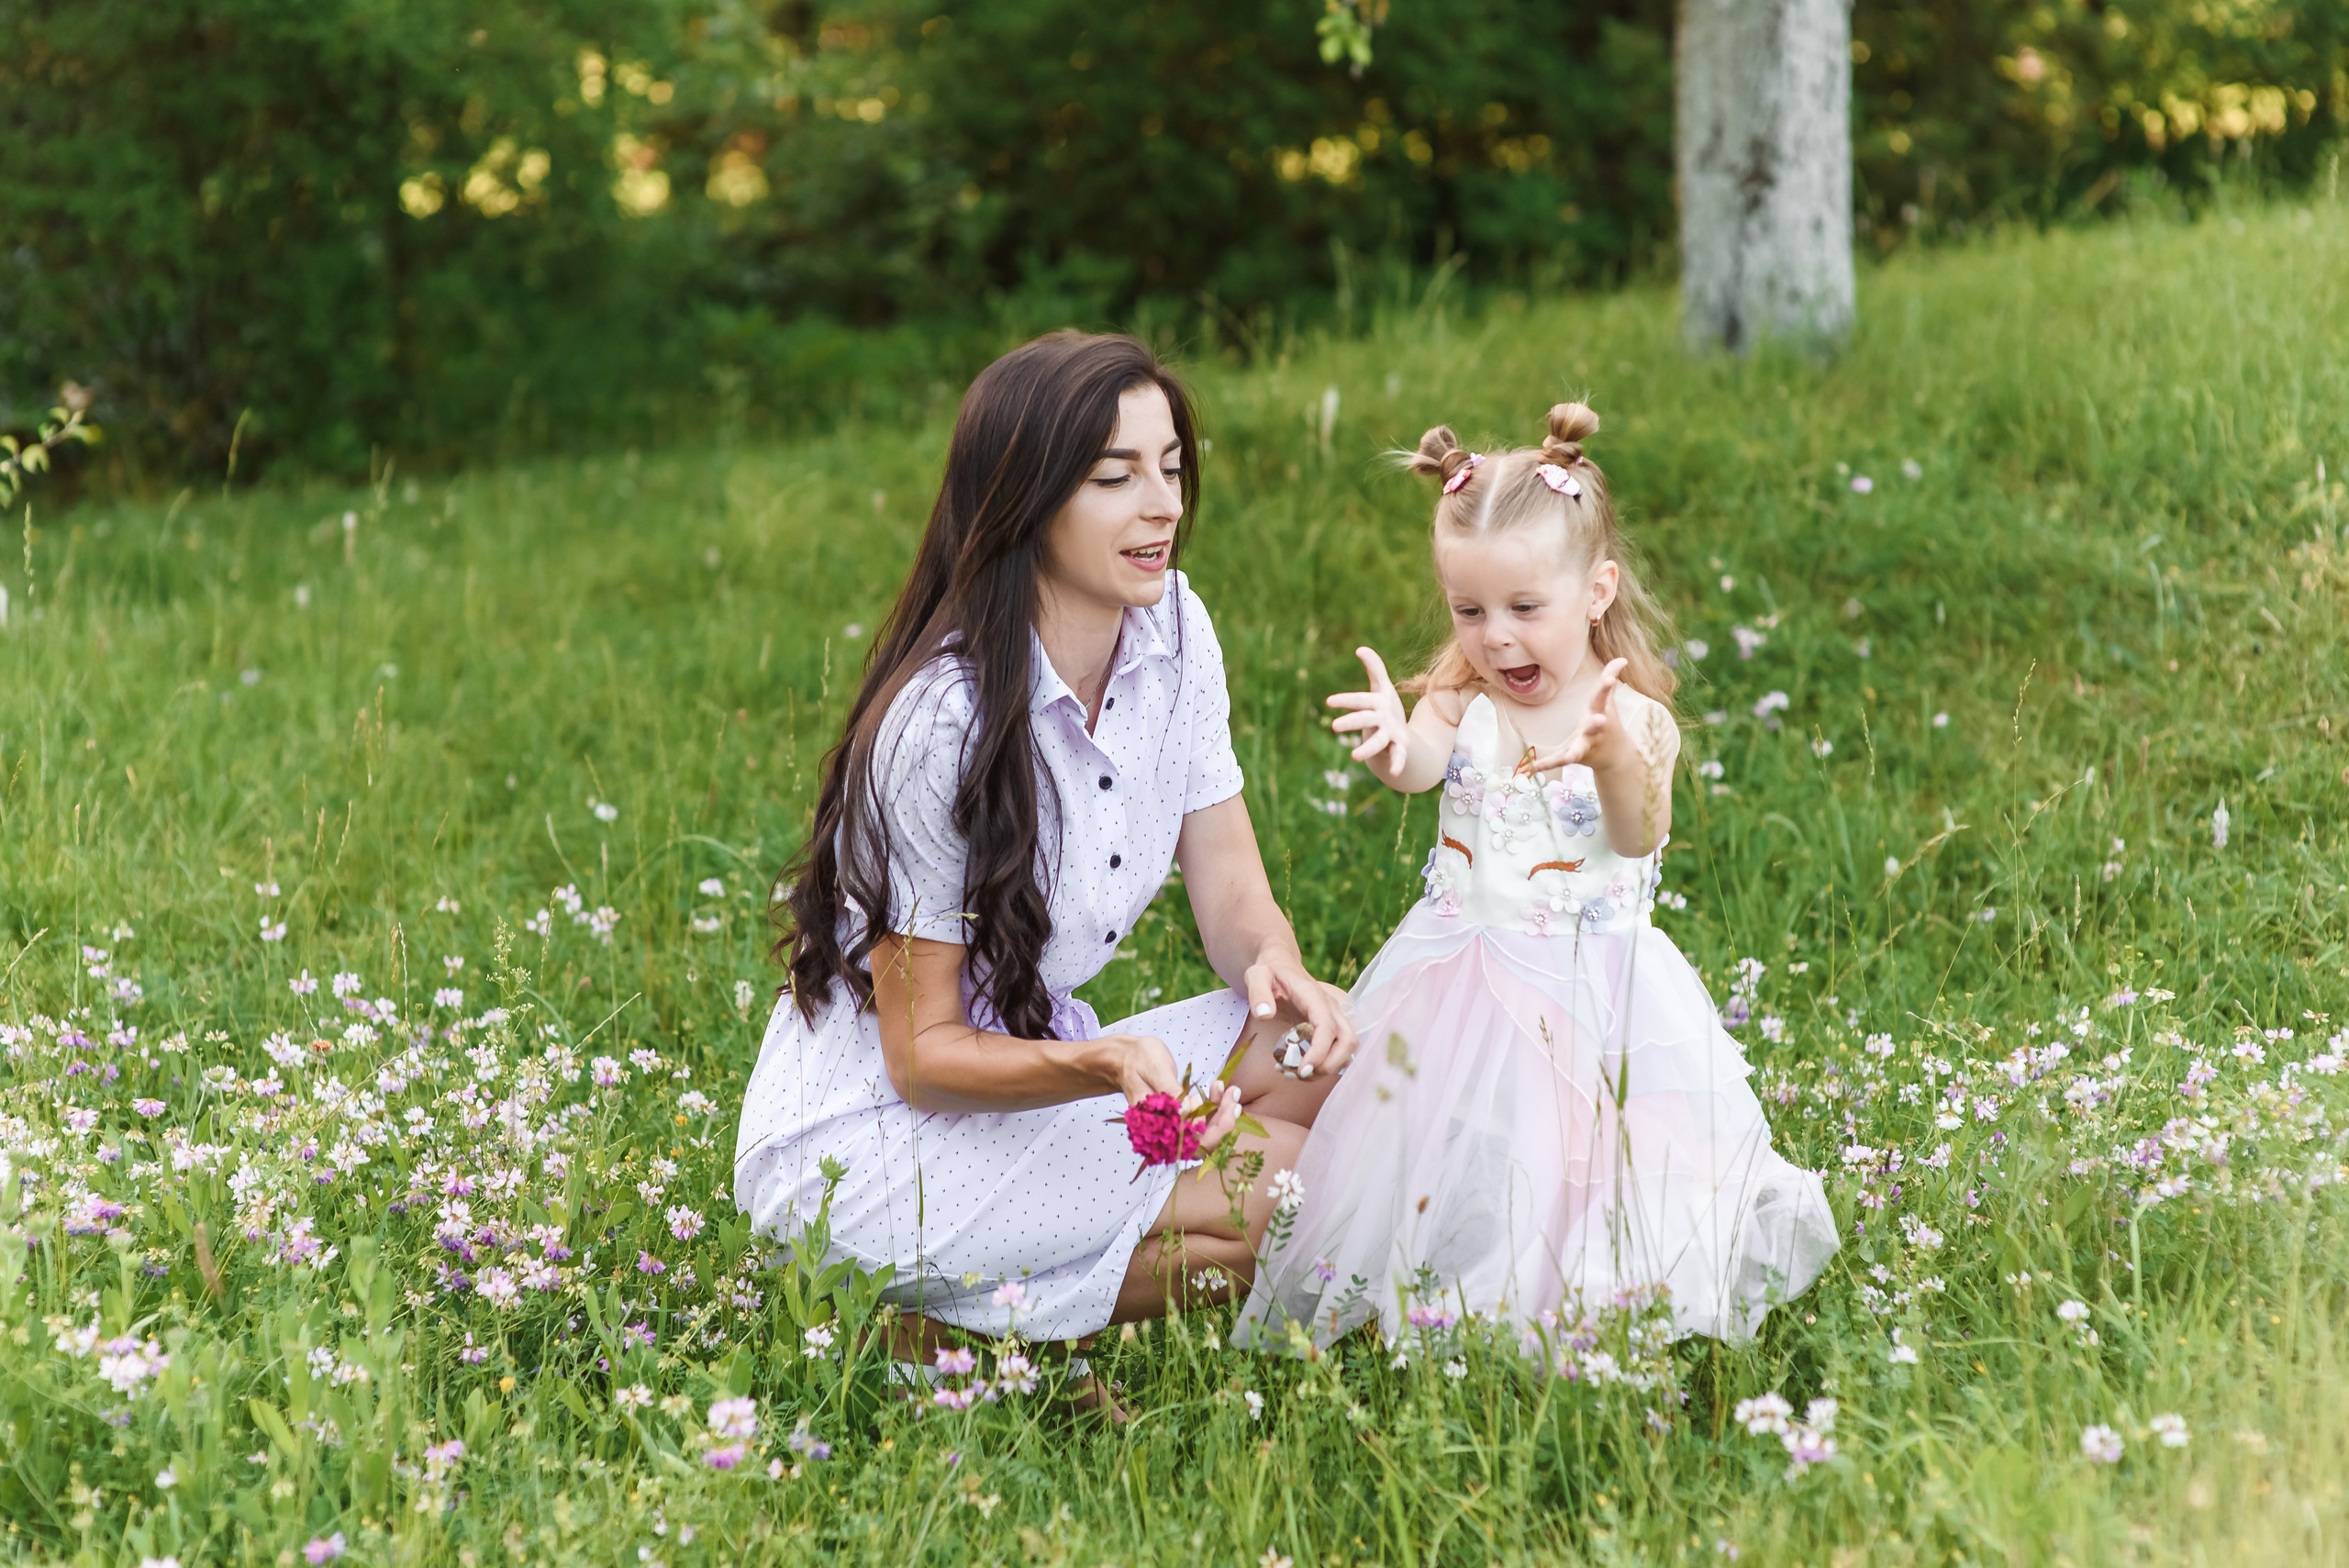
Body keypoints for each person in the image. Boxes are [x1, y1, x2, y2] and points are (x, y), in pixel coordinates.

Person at [735, 331, 1356, 1357]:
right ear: (1026, 498)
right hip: (871, 1146)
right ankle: (950, 1328)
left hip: (1033, 1068)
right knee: (1285, 1188)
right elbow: (923, 1057)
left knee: (1355, 1068)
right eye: (1115, 476)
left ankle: (976, 1304)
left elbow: (1230, 877)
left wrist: (1276, 970)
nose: (1162, 503)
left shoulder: (1175, 630)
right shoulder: (941, 724)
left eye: (1170, 467)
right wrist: (1102, 1058)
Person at [1234, 403, 1837, 1351]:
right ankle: (1447, 1288)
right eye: (1467, 611)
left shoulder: (1629, 717)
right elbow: (1425, 762)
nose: (1495, 638)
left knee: (1579, 1155)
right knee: (1449, 1133)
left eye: (1524, 609)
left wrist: (1610, 764)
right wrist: (1395, 748)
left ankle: (1575, 1309)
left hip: (1587, 984)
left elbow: (1636, 839)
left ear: (1595, 590)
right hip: (1454, 968)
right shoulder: (1458, 697)